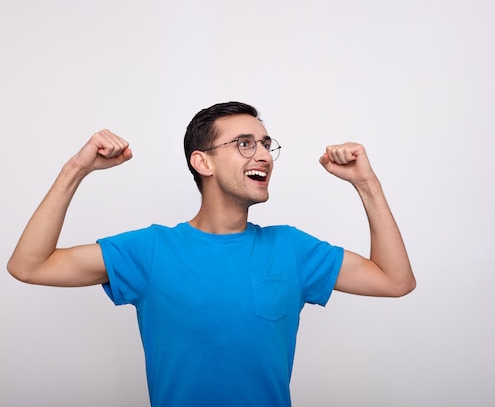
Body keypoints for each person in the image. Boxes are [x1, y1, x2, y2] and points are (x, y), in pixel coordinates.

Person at [8, 101, 415, 406]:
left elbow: (395, 281)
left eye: (265, 145)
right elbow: (28, 266)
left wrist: (367, 183)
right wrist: (75, 169)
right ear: (202, 162)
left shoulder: (291, 248)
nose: (262, 156)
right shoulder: (150, 250)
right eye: (244, 144)